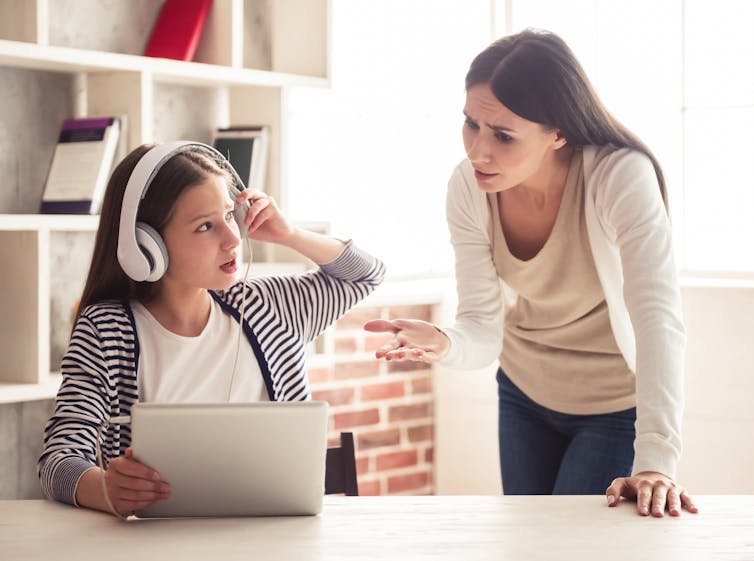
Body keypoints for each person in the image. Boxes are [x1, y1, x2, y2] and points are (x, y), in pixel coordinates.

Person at [364, 29, 697, 517]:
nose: (478, 150)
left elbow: (658, 317)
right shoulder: (468, 187)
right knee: (527, 543)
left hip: (612, 407)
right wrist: (445, 341)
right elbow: (481, 323)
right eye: (470, 124)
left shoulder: (619, 176)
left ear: (557, 131)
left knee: (567, 547)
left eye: (502, 135)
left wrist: (657, 460)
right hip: (523, 394)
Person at [39, 142, 385, 517]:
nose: (233, 237)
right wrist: (106, 489)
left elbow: (365, 275)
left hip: (278, 541)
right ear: (146, 246)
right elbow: (59, 461)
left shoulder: (267, 308)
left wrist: (289, 235)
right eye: (205, 226)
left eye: (228, 215)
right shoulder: (108, 331)